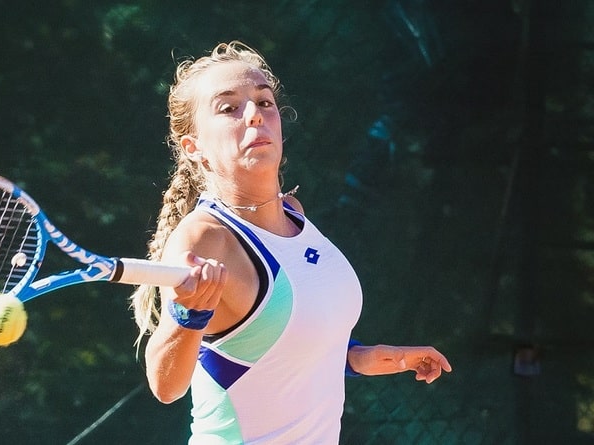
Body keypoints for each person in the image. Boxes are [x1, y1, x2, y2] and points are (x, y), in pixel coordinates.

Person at [129, 40, 452, 445]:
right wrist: (188, 314)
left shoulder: (293, 213)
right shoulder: (205, 238)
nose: (254, 114)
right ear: (194, 148)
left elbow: (273, 342)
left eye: (264, 102)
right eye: (229, 108)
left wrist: (357, 357)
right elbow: (165, 386)